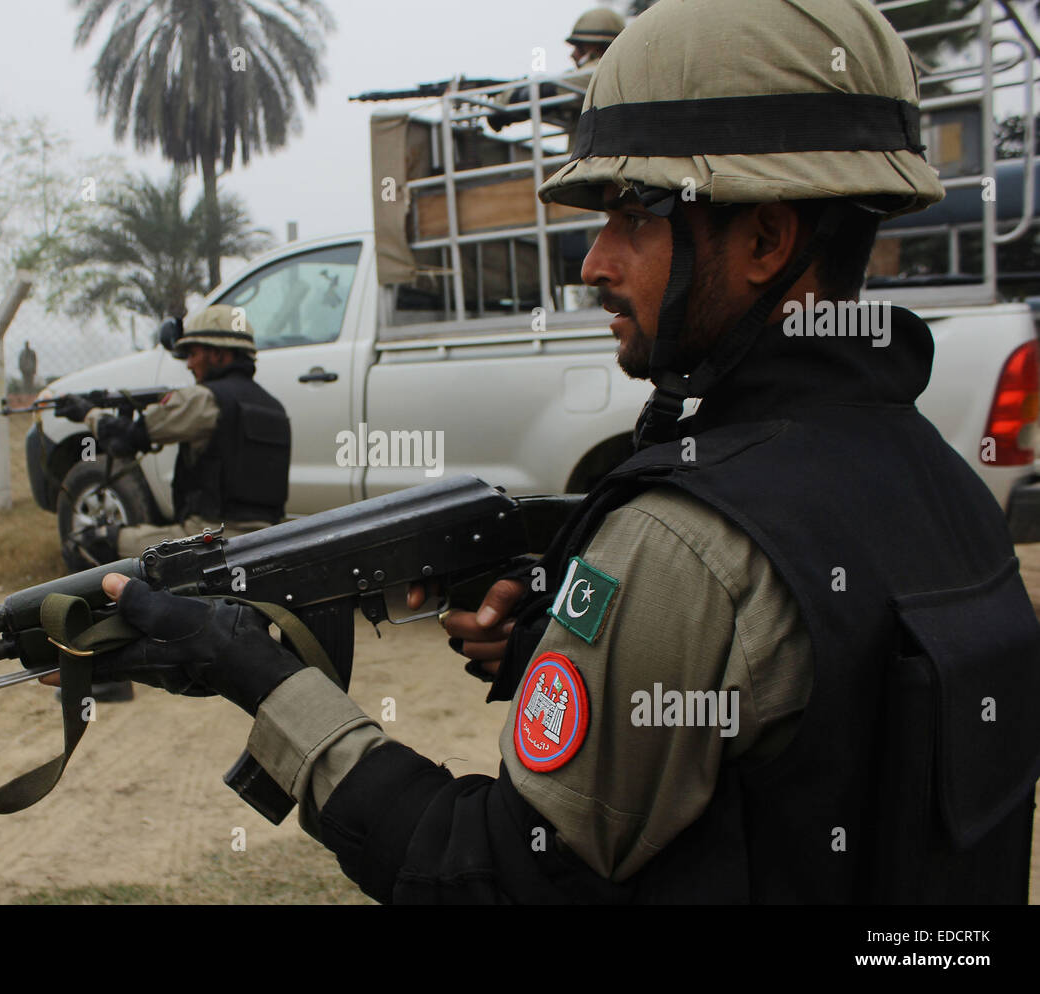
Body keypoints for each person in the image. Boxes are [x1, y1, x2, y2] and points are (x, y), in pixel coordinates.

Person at [79, 0, 1040, 903]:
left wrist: (268, 684)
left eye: (634, 215)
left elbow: (490, 875)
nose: (594, 263)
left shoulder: (688, 542)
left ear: (765, 237)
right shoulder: (952, 492)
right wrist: (569, 642)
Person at [57, 305, 291, 564]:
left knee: (92, 543)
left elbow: (123, 441)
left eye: (192, 353)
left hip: (208, 539)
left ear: (218, 354)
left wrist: (88, 414)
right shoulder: (275, 408)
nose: (189, 364)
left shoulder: (204, 400)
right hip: (266, 538)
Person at [487, 7, 625, 139]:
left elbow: (546, 91)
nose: (573, 54)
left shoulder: (604, 70)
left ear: (600, 48)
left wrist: (504, 99)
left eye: (580, 47)